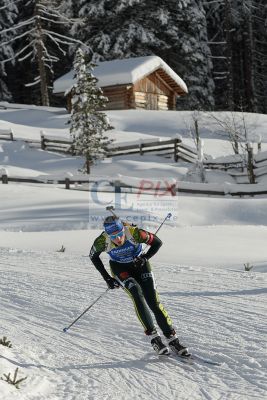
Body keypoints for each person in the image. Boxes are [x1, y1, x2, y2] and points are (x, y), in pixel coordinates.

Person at [89, 215, 190, 357]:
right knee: (136, 294)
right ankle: (155, 339)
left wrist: (144, 258)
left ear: (123, 230)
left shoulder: (134, 233)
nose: (117, 239)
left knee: (153, 302)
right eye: (113, 236)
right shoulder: (102, 241)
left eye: (119, 234)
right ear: (107, 234)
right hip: (120, 268)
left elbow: (157, 243)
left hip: (140, 265)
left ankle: (173, 339)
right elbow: (93, 256)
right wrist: (107, 278)